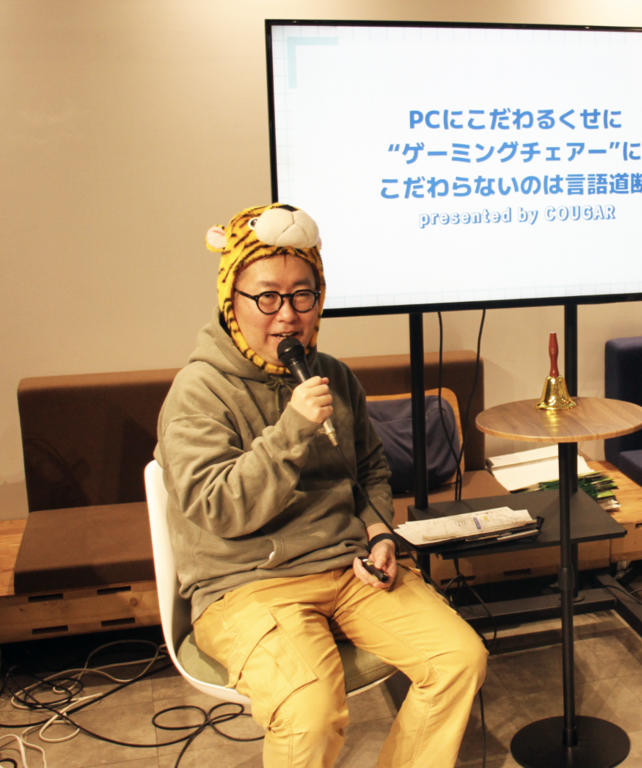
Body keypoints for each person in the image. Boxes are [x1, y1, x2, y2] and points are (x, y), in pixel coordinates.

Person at [156, 203, 487, 768]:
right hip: (245, 585)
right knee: (310, 710)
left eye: (302, 296)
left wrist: (379, 535)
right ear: (232, 301)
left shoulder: (331, 374)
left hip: (347, 568)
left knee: (459, 659)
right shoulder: (198, 392)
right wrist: (292, 430)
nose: (287, 317)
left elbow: (371, 471)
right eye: (267, 297)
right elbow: (218, 509)